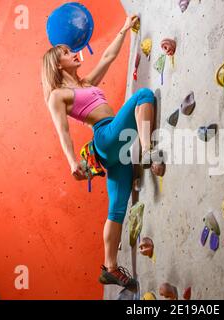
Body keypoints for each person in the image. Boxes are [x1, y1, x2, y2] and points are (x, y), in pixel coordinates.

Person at [41, 14, 163, 291]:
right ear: (56, 64)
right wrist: (73, 162)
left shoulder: (85, 83)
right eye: (67, 53)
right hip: (106, 138)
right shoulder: (57, 95)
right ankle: (148, 150)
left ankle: (109, 268)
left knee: (117, 208)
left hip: (115, 149)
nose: (74, 53)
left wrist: (122, 30)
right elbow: (63, 132)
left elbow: (107, 57)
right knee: (143, 96)